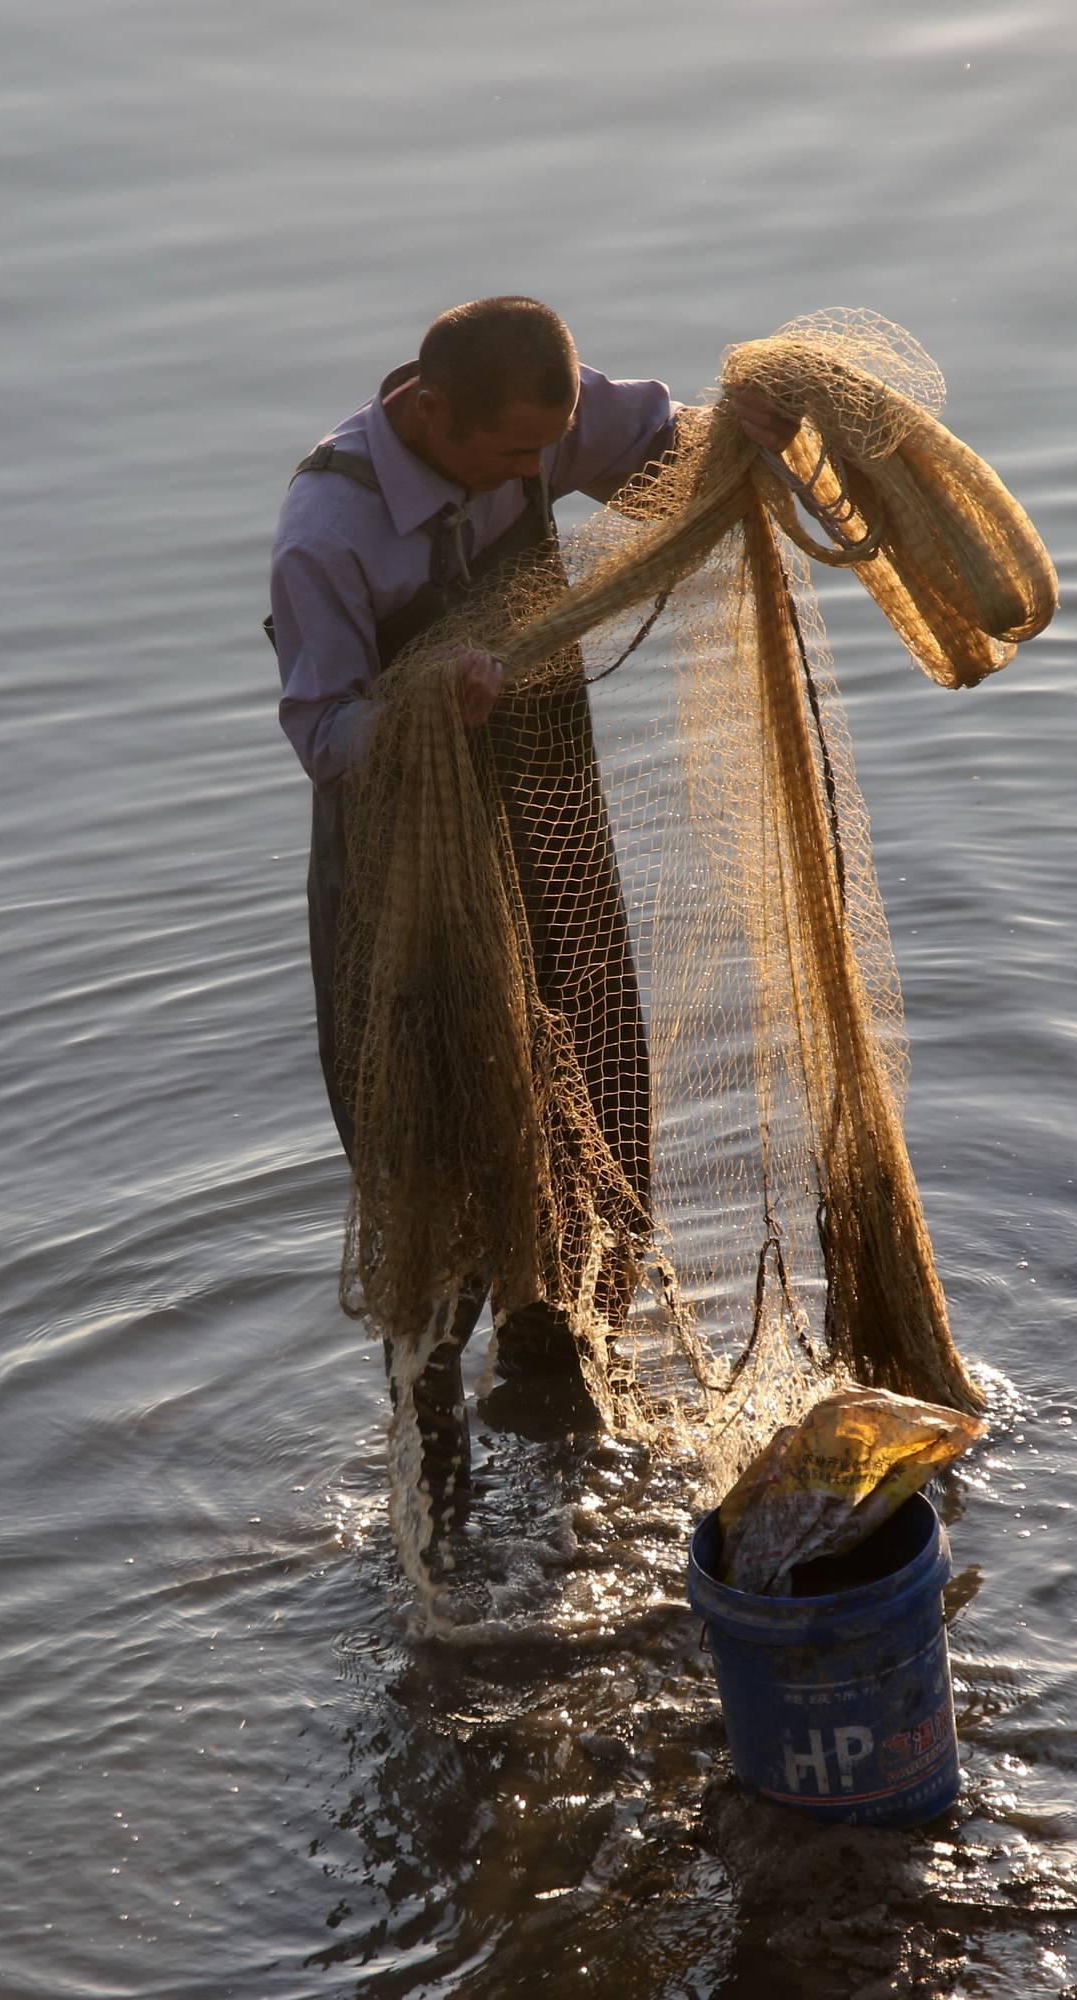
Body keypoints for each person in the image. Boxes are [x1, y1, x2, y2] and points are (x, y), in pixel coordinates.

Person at [263, 297, 788, 1557]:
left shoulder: (537, 426)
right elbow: (320, 730)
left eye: (541, 456)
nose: (533, 478)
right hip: (407, 873)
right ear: (432, 415)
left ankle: (571, 1397)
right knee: (433, 1148)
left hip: (547, 816)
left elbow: (652, 445)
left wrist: (743, 433)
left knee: (594, 1083)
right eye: (509, 460)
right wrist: (431, 702)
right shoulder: (327, 531)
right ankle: (436, 1507)